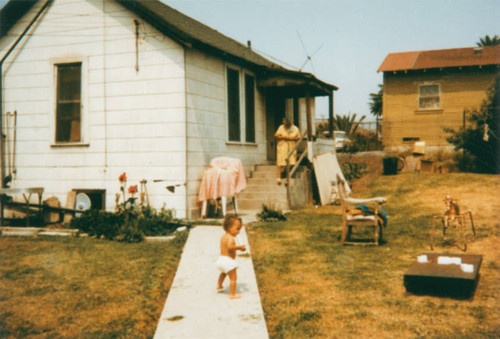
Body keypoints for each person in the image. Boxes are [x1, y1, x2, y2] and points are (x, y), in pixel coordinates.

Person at [216, 216, 246, 299]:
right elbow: (230, 247)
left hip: (221, 259)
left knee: (224, 272)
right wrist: (239, 247)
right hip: (228, 260)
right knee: (233, 278)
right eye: (237, 229)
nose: (238, 232)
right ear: (229, 228)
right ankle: (232, 294)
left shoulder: (223, 236)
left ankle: (219, 285)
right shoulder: (231, 238)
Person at [274, 117, 300, 184]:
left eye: (289, 124)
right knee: (280, 161)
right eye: (286, 124)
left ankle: (288, 178)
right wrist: (284, 137)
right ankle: (278, 177)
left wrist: (292, 138)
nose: (287, 125)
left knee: (291, 162)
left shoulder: (295, 128)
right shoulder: (281, 127)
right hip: (282, 146)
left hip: (291, 146)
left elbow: (298, 137)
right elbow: (276, 135)